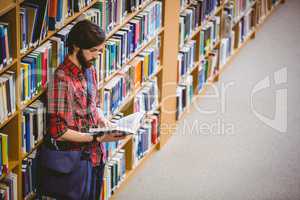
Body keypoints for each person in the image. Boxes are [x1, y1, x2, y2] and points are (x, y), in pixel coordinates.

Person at [38, 19, 125, 200]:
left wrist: (102, 119)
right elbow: (58, 132)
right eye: (92, 51)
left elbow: (95, 104)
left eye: (99, 51)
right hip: (76, 161)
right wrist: (96, 137)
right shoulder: (62, 81)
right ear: (76, 47)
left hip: (96, 155)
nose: (96, 56)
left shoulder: (89, 69)